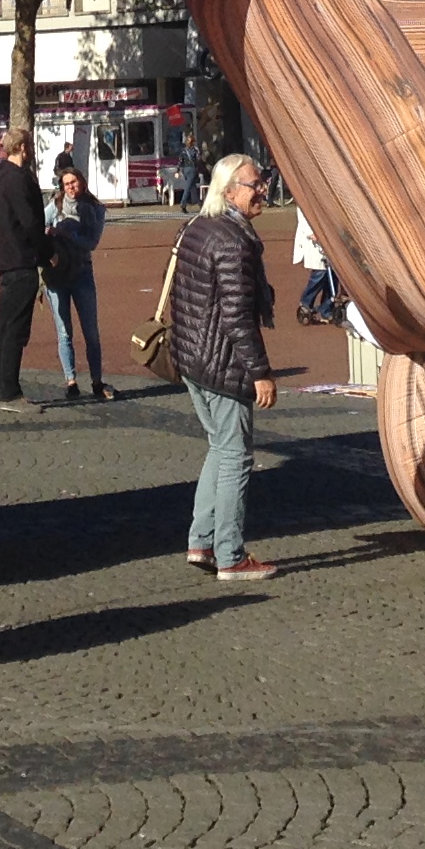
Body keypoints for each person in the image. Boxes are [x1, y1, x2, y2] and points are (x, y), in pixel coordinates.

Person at [170, 152, 280, 580]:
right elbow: (236, 317)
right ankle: (231, 555)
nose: (263, 190)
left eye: (262, 181)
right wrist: (261, 373)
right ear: (230, 191)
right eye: (256, 184)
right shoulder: (233, 242)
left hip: (192, 358)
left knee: (220, 448)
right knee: (236, 457)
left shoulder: (197, 227)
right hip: (222, 363)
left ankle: (201, 542)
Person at [0, 126, 48, 413]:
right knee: (15, 329)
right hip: (21, 258)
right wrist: (48, 253)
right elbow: (30, 221)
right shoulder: (18, 179)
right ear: (22, 147)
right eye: (29, 145)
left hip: (5, 259)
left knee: (3, 326)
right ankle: (9, 393)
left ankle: (1, 389)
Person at [44, 152, 113, 401]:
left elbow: (92, 242)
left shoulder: (94, 209)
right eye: (66, 184)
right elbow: (38, 226)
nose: (70, 188)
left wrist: (66, 234)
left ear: (82, 182)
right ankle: (71, 381)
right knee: (64, 331)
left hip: (82, 271)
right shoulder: (55, 204)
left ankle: (96, 381)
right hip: (57, 274)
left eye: (73, 182)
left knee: (91, 331)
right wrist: (47, 233)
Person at [291, 210, 341, 327]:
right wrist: (311, 233)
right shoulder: (304, 203)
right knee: (319, 275)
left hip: (330, 239)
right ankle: (306, 302)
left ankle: (326, 309)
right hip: (315, 243)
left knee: (332, 276)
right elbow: (304, 220)